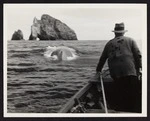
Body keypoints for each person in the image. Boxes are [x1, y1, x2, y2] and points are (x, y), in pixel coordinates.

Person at [96, 22, 142, 113]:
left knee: (120, 91)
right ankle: (135, 111)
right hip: (130, 71)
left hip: (116, 73)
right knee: (134, 93)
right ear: (123, 32)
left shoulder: (109, 43)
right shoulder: (131, 40)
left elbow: (102, 59)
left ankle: (121, 109)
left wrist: (98, 70)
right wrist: (140, 68)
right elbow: (138, 55)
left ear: (115, 32)